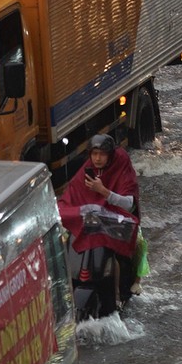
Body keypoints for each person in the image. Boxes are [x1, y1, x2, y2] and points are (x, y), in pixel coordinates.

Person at [59, 132, 143, 314]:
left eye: (102, 155)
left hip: (120, 219)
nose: (97, 159)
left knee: (119, 254)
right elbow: (72, 194)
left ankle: (119, 294)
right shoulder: (87, 170)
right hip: (93, 220)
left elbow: (129, 203)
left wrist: (104, 192)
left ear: (110, 155)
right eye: (94, 154)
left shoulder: (121, 166)